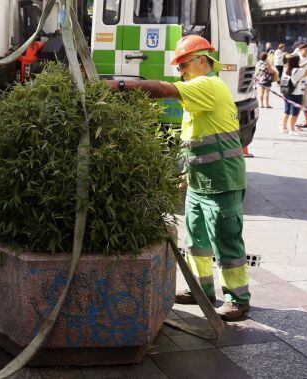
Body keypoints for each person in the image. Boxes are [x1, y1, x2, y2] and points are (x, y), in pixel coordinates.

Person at [106, 35, 251, 321]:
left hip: (222, 182)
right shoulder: (198, 92)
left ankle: (238, 299)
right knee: (197, 240)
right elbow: (195, 141)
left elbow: (162, 89)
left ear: (201, 61)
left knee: (226, 242)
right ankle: (202, 291)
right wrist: (186, 174)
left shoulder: (208, 85)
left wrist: (120, 85)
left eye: (183, 64)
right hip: (200, 182)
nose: (180, 71)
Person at [280, 55, 307, 135]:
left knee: (286, 111)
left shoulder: (286, 69)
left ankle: (284, 128)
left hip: (286, 92)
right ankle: (292, 129)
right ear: (297, 61)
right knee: (293, 113)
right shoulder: (299, 70)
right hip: (296, 94)